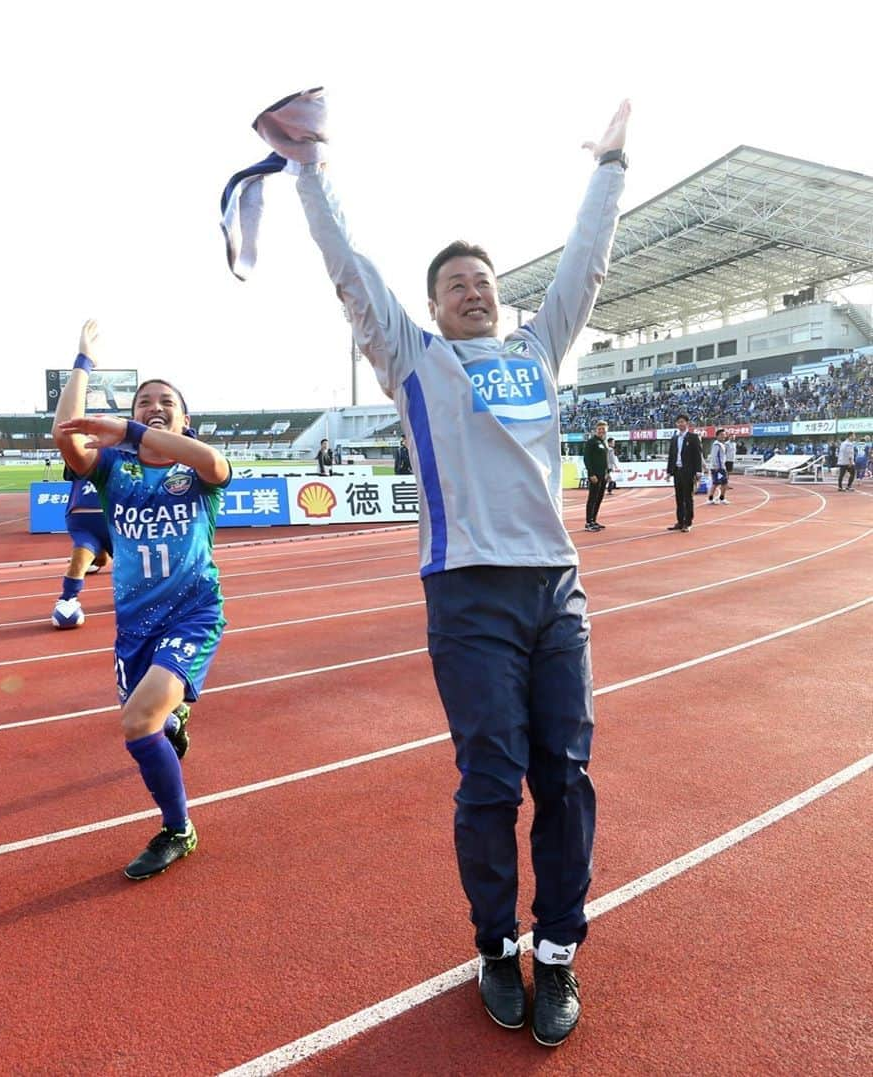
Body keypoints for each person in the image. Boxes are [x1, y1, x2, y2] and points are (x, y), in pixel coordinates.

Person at [258, 87, 630, 1047]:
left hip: (555, 587)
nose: (475, 288)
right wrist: (311, 171)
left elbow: (586, 270)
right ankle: (494, 945)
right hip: (467, 591)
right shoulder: (415, 358)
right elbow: (350, 269)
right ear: (430, 305)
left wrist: (610, 169)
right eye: (456, 281)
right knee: (491, 780)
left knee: (569, 772)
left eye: (484, 279)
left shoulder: (537, 351)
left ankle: (557, 954)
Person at [53, 319, 231, 880]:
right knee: (148, 726)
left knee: (136, 721)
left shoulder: (200, 470)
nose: (155, 406)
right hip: (133, 625)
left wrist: (130, 427)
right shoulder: (114, 473)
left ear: (185, 419)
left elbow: (209, 462)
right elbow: (65, 433)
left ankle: (178, 830)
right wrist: (83, 362)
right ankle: (173, 715)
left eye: (166, 402)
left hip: (193, 613)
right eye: (144, 401)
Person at [50, 463, 113, 629]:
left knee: (89, 550)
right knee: (130, 563)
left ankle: (67, 600)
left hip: (84, 511)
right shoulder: (122, 453)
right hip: (110, 514)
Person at [666, 414, 702, 532]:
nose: (680, 424)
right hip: (677, 471)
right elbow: (671, 456)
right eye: (678, 422)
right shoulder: (675, 438)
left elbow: (697, 456)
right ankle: (680, 521)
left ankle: (688, 522)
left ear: (687, 423)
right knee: (679, 498)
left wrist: (698, 471)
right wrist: (669, 472)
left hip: (688, 472)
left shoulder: (693, 437)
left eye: (682, 422)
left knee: (688, 497)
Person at [583, 421, 608, 531]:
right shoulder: (591, 442)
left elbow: (605, 460)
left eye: (603, 429)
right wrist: (591, 473)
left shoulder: (603, 442)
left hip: (603, 475)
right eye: (599, 429)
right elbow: (587, 459)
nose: (601, 431)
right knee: (592, 498)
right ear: (596, 430)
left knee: (599, 498)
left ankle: (594, 520)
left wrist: (607, 472)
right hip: (595, 475)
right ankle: (588, 522)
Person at [705, 429, 729, 505]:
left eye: (724, 434)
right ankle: (712, 499)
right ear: (717, 436)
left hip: (721, 467)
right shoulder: (716, 444)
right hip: (718, 468)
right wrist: (716, 467)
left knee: (722, 483)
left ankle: (720, 498)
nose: (723, 436)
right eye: (721, 434)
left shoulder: (722, 444)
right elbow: (714, 456)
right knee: (717, 483)